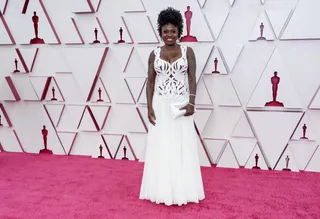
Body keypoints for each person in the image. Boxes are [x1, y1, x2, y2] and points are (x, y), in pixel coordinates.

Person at [139, 7, 205, 206]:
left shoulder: (188, 52)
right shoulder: (154, 54)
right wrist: (149, 107)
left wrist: (191, 102)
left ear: (179, 32)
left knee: (181, 147)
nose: (169, 35)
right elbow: (150, 82)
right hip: (160, 105)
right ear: (160, 31)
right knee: (162, 146)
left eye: (173, 31)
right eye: (166, 31)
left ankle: (182, 190)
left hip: (181, 105)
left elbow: (192, 78)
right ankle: (162, 190)